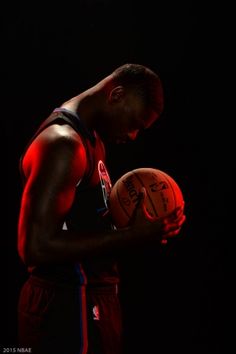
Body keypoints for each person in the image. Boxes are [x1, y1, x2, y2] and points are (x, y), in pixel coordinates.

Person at [17, 63, 186, 354]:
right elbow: (35, 247)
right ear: (117, 94)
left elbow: (78, 225)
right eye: (135, 124)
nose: (133, 135)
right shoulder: (63, 143)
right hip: (66, 307)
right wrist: (132, 236)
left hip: (87, 302)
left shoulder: (91, 139)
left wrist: (128, 223)